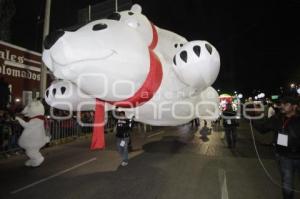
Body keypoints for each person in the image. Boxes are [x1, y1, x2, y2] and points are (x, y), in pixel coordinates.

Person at [253, 96, 300, 199]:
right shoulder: (277, 118)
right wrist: (252, 120)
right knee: (287, 184)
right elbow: (262, 128)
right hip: (285, 156)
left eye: (286, 104)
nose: (282, 106)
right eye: (282, 103)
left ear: (295, 106)